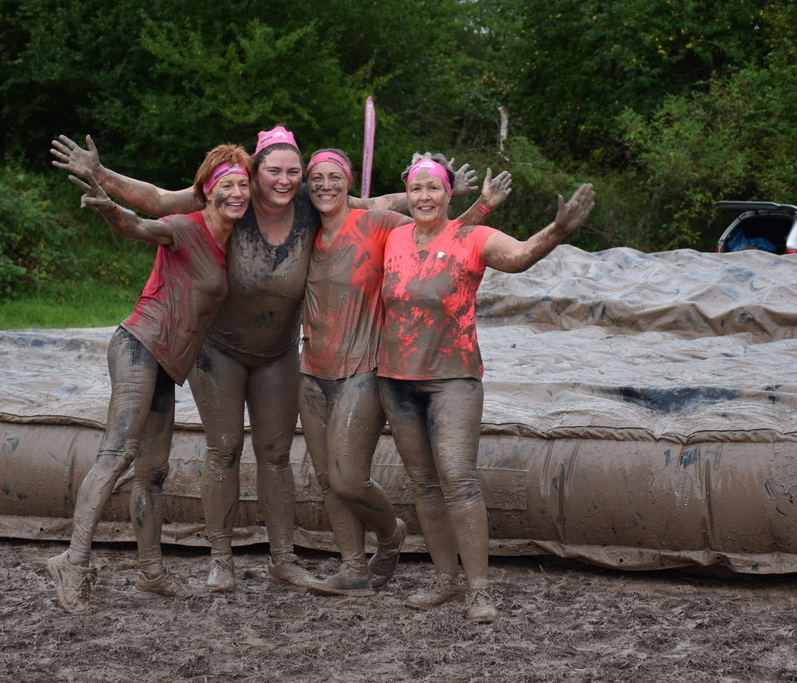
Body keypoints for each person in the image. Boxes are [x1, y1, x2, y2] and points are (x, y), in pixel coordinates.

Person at [50, 128, 481, 593]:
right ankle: (221, 562)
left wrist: (439, 184)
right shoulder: (233, 201)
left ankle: (283, 558)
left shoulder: (311, 208)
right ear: (254, 173)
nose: (284, 180)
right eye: (273, 171)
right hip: (219, 351)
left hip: (278, 354)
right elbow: (155, 200)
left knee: (276, 456)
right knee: (224, 449)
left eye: (293, 172)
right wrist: (100, 174)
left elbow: (380, 203)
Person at [377, 153, 595, 623]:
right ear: (407, 193)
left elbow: (518, 257)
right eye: (417, 188)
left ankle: (479, 590)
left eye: (434, 187)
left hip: (452, 378)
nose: (424, 196)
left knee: (457, 478)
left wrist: (556, 231)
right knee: (423, 485)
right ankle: (445, 583)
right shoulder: (392, 236)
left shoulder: (472, 237)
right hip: (395, 379)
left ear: (450, 193)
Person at [46, 144, 253, 614]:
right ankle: (73, 562)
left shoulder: (228, 242)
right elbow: (141, 224)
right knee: (117, 454)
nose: (237, 193)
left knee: (152, 471)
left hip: (167, 365)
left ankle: (151, 573)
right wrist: (108, 206)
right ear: (206, 192)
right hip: (139, 345)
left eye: (243, 184)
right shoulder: (187, 227)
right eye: (227, 186)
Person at [300, 149, 511, 597]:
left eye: (335, 178)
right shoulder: (302, 229)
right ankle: (359, 569)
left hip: (381, 365)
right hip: (318, 367)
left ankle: (402, 541)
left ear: (350, 182)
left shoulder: (376, 223)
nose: (325, 186)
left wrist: (480, 206)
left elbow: (440, 237)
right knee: (333, 480)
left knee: (358, 477)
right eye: (315, 178)